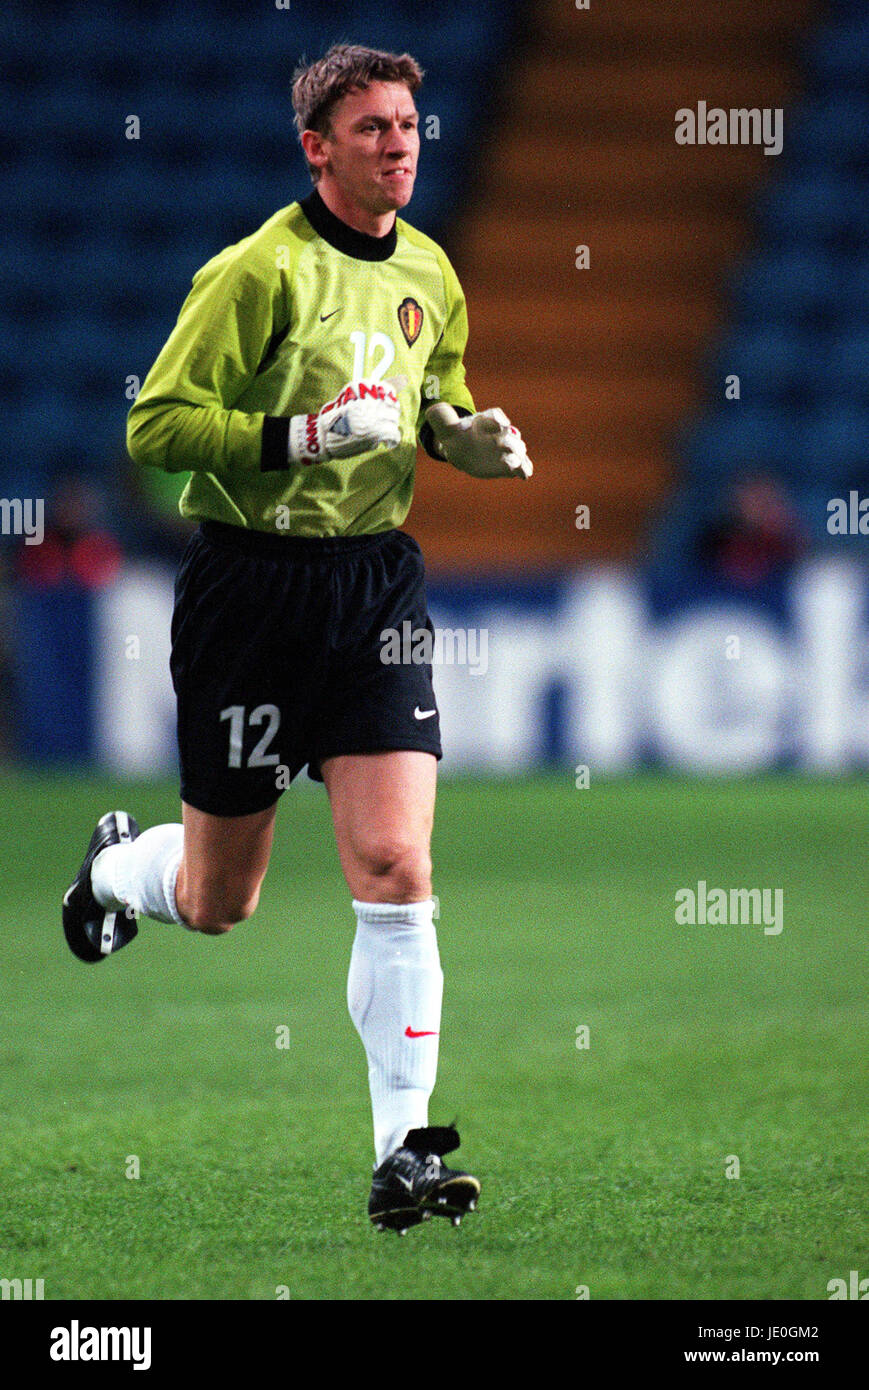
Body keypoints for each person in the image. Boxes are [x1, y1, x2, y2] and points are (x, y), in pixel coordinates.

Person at [62, 43, 532, 1235]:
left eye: (410, 123)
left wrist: (458, 441)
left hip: (372, 589)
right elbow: (157, 427)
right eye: (371, 127)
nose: (400, 143)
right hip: (250, 593)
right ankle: (118, 869)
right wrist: (298, 440)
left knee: (394, 867)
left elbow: (435, 396)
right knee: (223, 900)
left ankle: (404, 1155)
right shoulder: (253, 273)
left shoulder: (431, 267)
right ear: (315, 146)